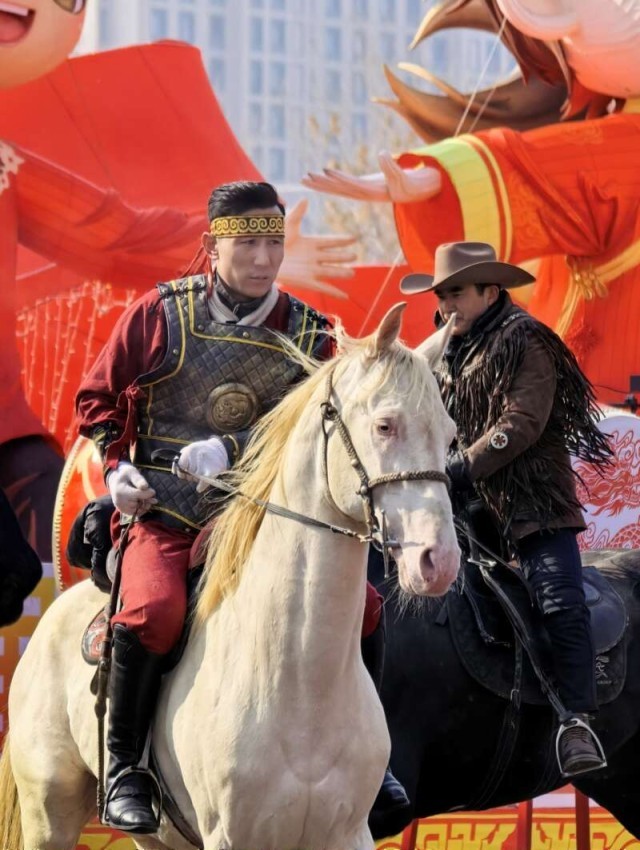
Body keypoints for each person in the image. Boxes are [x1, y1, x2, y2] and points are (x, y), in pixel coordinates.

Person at [76, 180, 408, 834]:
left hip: (259, 519)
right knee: (152, 611)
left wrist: (230, 449)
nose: (263, 260)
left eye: (274, 244)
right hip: (166, 514)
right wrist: (117, 469)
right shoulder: (159, 314)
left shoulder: (312, 333)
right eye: (248, 244)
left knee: (366, 608)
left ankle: (374, 760)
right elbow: (97, 398)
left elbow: (319, 427)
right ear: (212, 246)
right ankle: (125, 766)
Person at [401, 241, 613, 779]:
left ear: (491, 291)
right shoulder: (437, 352)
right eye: (441, 295)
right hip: (463, 511)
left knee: (559, 602)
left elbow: (521, 424)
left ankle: (577, 721)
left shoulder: (528, 339)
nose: (446, 304)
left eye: (456, 293)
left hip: (532, 506)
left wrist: (457, 468)